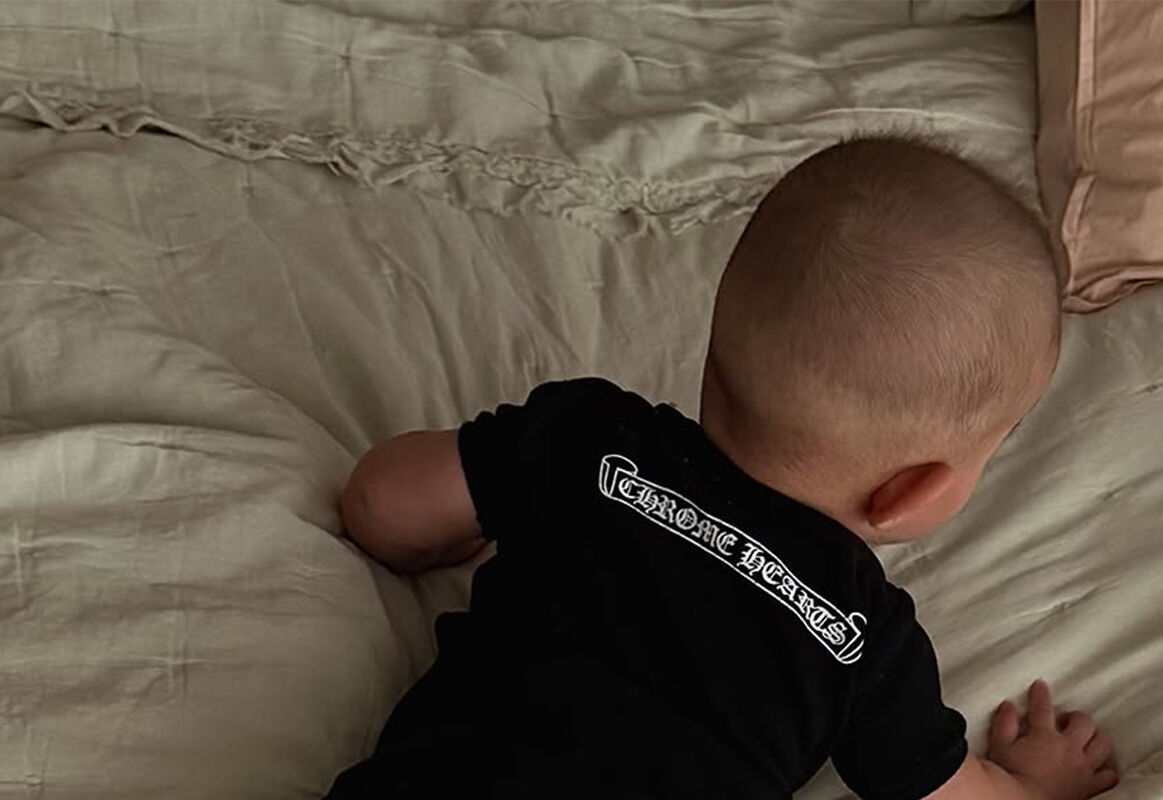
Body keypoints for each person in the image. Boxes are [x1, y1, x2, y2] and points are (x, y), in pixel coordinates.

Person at [324, 137, 1118, 800]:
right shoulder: (861, 635)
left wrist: (457, 518)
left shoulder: (586, 439)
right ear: (912, 491)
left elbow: (381, 504)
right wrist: (1031, 784)